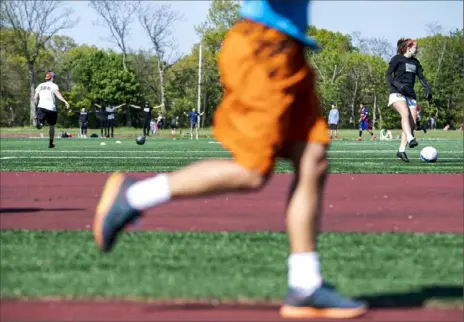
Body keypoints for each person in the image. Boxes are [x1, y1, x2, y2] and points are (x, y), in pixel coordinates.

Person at [92, 1, 367, 320]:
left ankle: (305, 285)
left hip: (289, 49)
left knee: (312, 155)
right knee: (251, 172)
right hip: (263, 47)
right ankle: (133, 196)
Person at [386, 38, 432, 162]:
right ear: (408, 47)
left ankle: (401, 150)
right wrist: (398, 85)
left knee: (412, 123)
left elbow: (421, 77)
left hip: (410, 95)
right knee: (405, 114)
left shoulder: (415, 62)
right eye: (415, 47)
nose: (417, 49)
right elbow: (388, 75)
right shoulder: (397, 59)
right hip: (397, 92)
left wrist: (428, 89)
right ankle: (411, 138)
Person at [34, 72, 70, 148]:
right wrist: (65, 101)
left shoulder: (40, 85)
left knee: (40, 124)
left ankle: (39, 124)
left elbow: (35, 97)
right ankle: (51, 143)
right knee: (52, 126)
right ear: (52, 78)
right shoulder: (53, 85)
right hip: (51, 108)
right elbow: (58, 94)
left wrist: (37, 106)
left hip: (41, 107)